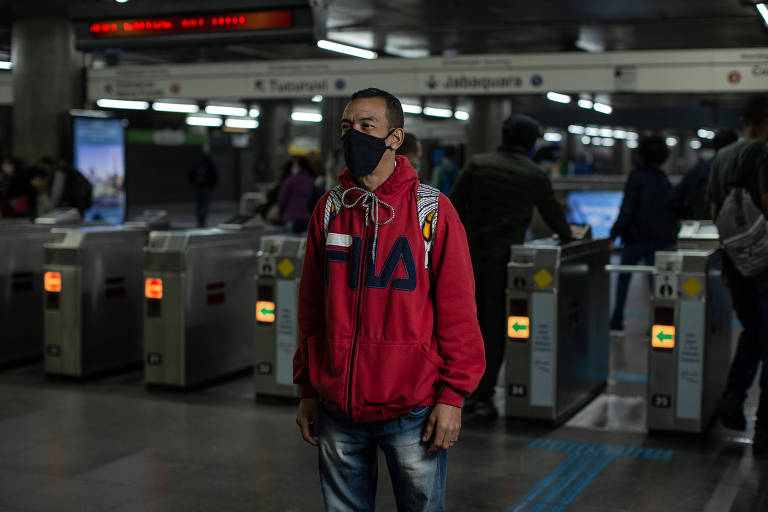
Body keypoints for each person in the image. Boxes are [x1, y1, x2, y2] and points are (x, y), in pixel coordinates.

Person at [293, 87, 485, 511]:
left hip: (411, 407)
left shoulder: (431, 211)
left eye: (366, 126)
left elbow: (458, 312)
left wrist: (453, 397)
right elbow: (311, 308)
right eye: (346, 127)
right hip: (338, 406)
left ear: (395, 138)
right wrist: (308, 385)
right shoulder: (329, 208)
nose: (353, 136)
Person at [450, 113, 572, 422]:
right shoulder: (534, 175)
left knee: (464, 324)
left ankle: (458, 389)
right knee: (495, 329)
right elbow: (557, 219)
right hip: (506, 262)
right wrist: (573, 236)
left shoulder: (478, 164)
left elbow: (451, 207)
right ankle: (484, 394)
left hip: (468, 259)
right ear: (530, 142)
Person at [708, 94, 768, 453]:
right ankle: (765, 430)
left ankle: (734, 395)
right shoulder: (766, 153)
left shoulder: (721, 157)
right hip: (766, 264)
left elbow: (714, 213)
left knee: (755, 331)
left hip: (735, 261)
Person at [609, 135, 678, 332]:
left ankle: (616, 321)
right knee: (657, 286)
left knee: (623, 280)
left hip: (634, 240)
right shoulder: (663, 180)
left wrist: (613, 235)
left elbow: (627, 209)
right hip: (658, 241)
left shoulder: (636, 178)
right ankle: (658, 325)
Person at [665, 129, 738, 220]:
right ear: (736, 147)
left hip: (700, 225)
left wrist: (690, 216)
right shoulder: (740, 172)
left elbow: (673, 201)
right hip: (733, 227)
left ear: (714, 146)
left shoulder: (698, 170)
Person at [277, 156, 316, 233]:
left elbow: (282, 199)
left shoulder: (291, 180)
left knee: (290, 243)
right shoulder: (312, 180)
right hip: (308, 219)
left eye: (295, 165)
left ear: (299, 166)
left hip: (292, 217)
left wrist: (281, 211)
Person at [188, 153, 218, 227]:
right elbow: (215, 176)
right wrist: (213, 185)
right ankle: (202, 220)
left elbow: (190, 175)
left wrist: (193, 183)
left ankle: (200, 220)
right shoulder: (210, 165)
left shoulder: (197, 165)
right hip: (207, 188)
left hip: (199, 187)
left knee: (199, 204)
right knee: (205, 204)